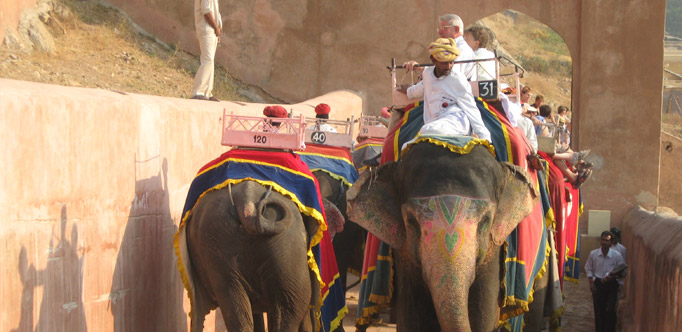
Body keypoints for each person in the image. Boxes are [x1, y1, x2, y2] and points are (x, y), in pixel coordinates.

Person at [398, 38, 491, 141]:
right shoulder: (427, 74)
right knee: (406, 146)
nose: (448, 67)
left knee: (427, 130)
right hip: (434, 122)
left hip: (455, 121)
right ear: (433, 60)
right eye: (444, 63)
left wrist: (484, 137)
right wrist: (407, 90)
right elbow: (419, 89)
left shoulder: (457, 78)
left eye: (451, 63)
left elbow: (470, 107)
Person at [404, 14, 476, 79]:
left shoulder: (461, 49)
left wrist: (421, 68)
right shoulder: (451, 47)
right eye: (439, 28)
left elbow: (447, 75)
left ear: (456, 29)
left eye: (444, 28)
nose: (439, 32)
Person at [585, 230, 625, 332]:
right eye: (603, 240)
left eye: (607, 241)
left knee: (610, 310)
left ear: (611, 242)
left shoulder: (616, 256)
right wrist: (591, 282)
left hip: (611, 285)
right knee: (599, 310)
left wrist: (614, 275)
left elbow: (623, 271)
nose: (604, 242)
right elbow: (588, 268)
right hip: (598, 284)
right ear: (600, 241)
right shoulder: (593, 254)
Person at [190, 0, 222, 101]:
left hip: (212, 31)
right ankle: (198, 92)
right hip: (206, 29)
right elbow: (206, 11)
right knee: (207, 59)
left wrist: (217, 31)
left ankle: (207, 92)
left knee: (210, 61)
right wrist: (216, 28)